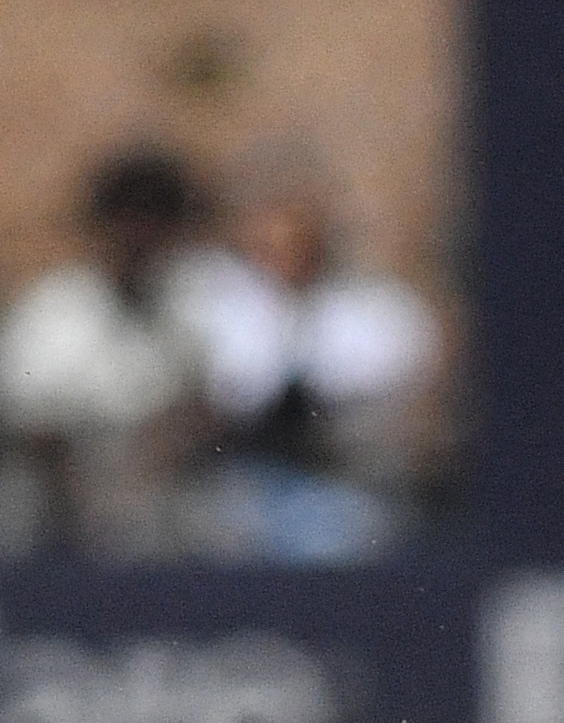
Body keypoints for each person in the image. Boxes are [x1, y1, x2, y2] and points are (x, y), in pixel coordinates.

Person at [173, 159, 443, 562]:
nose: (285, 259)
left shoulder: (380, 310)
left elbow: (405, 411)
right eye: (269, 247)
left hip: (348, 479)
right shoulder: (213, 306)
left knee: (348, 532)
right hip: (239, 478)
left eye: (299, 244)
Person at [0, 146, 221, 558]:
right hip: (49, 534)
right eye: (127, 217)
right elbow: (28, 430)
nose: (140, 234)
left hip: (154, 531)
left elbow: (202, 414)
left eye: (158, 218)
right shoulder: (51, 312)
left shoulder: (193, 309)